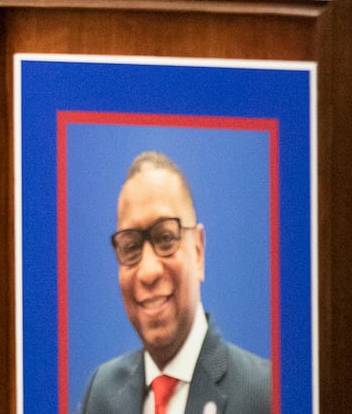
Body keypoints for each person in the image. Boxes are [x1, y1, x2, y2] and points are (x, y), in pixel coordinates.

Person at [79, 151, 271, 414]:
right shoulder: (102, 395)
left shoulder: (265, 394)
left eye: (166, 238)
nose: (148, 272)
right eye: (131, 246)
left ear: (199, 251)